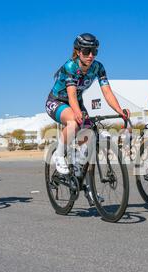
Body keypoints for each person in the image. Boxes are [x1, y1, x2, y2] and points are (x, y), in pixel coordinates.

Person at [45, 33, 130, 175]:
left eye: (94, 51)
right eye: (86, 51)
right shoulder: (70, 66)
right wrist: (77, 113)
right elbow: (71, 95)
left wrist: (120, 110)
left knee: (90, 134)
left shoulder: (98, 67)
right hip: (57, 101)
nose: (91, 55)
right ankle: (59, 155)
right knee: (74, 122)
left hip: (77, 102)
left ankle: (81, 171)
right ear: (78, 51)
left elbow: (107, 92)